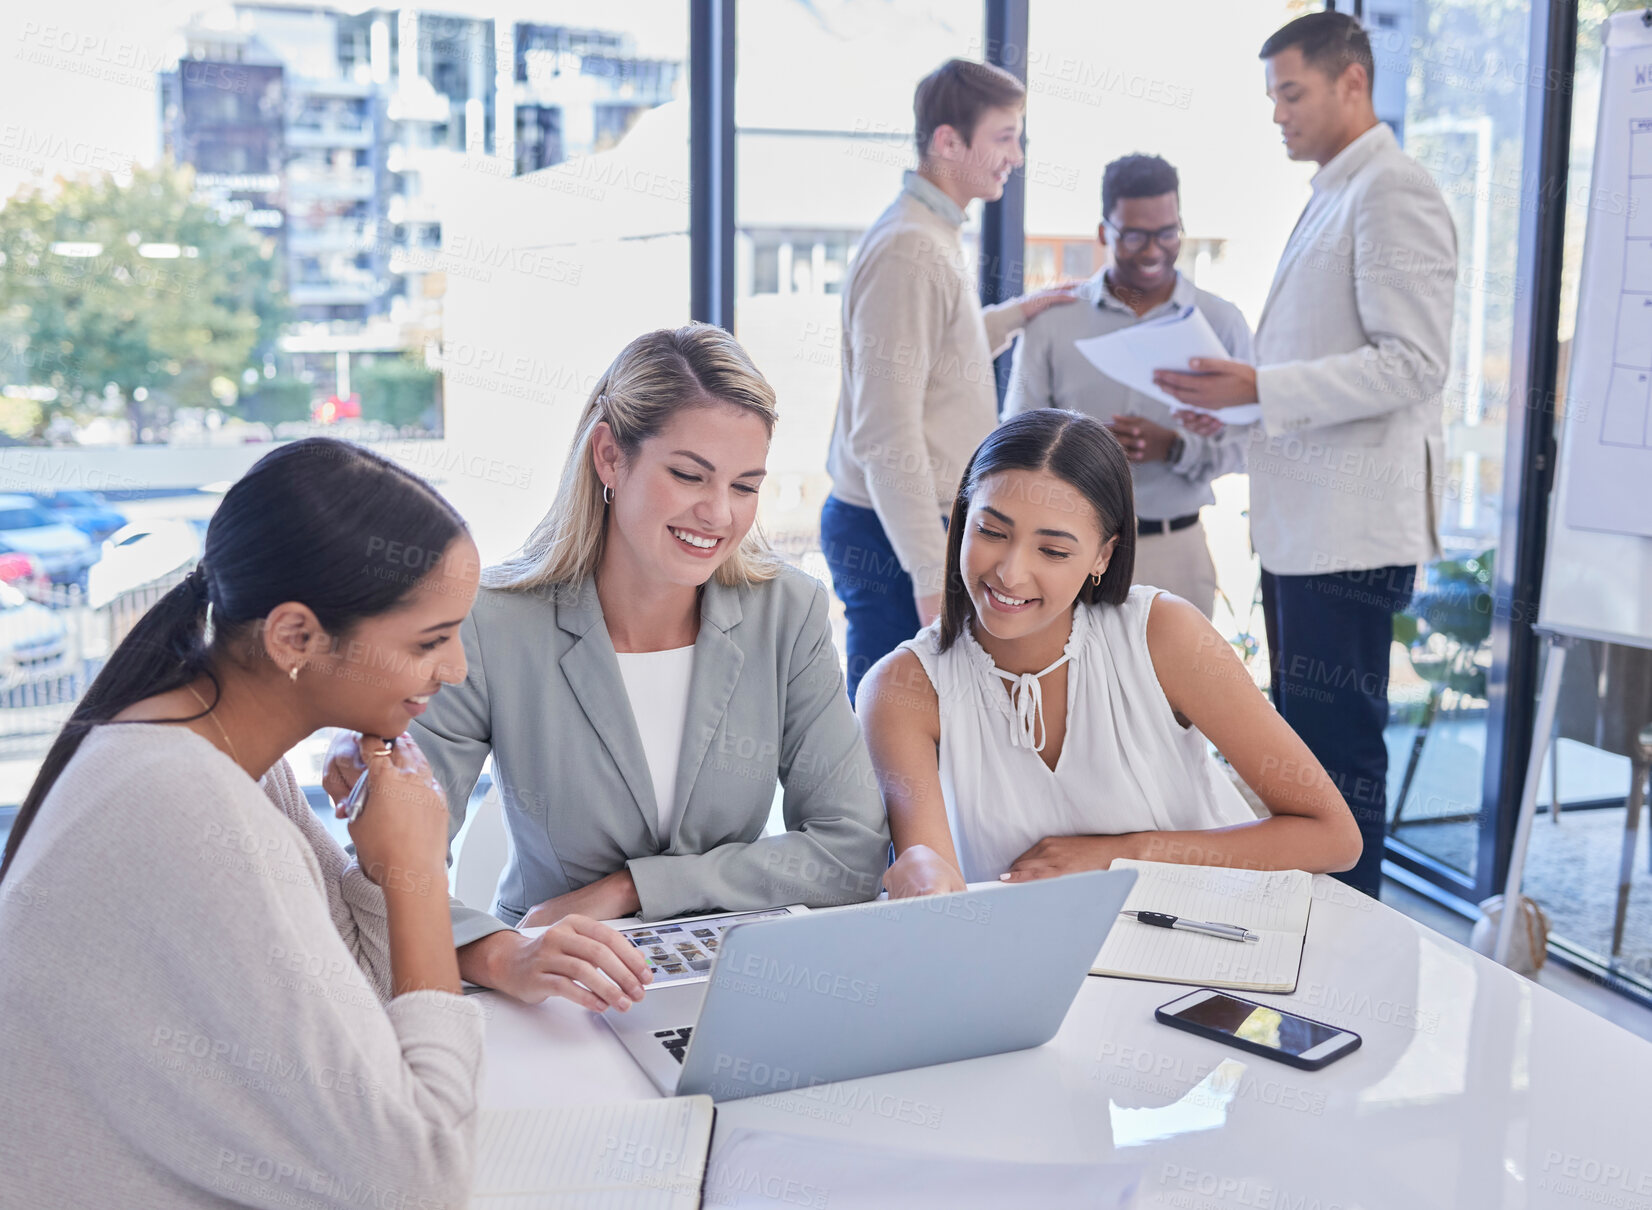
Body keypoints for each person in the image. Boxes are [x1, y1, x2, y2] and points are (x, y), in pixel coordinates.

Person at [0, 440, 649, 1208]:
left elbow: (361, 995)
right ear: (295, 638)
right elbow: (417, 1179)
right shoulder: (183, 801)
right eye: (428, 641)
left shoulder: (222, 746)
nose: (455, 671)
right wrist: (412, 875)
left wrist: (377, 864)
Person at [327, 325, 890, 1005]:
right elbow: (391, 876)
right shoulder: (490, 625)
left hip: (739, 981)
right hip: (554, 986)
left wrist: (630, 889)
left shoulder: (788, 611)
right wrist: (505, 957)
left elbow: (852, 852)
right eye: (688, 475)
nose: (718, 513)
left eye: (745, 486)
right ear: (609, 458)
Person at [1153, 11, 1457, 898]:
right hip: (1309, 530)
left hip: (1351, 535)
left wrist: (1259, 388)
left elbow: (1415, 364)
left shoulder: (1391, 190)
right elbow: (1316, 370)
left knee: (1338, 754)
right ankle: (1320, 923)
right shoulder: (1334, 191)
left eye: (1292, 93)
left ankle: (1349, 932)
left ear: (1351, 83)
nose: (1278, 114)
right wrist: (1235, 418)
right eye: (1273, 97)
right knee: (1306, 751)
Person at [857, 410, 1361, 896]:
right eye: (991, 531)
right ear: (961, 522)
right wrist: (918, 878)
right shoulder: (902, 689)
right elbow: (936, 886)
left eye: (1052, 551)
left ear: (1103, 555)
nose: (1010, 573)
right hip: (1036, 962)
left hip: (1209, 935)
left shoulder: (1164, 634)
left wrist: (1121, 854)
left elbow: (1333, 836)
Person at [822, 57, 1077, 702]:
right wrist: (928, 570)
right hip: (891, 530)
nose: (1015, 156)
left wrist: (1021, 314)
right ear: (947, 141)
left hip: (905, 524)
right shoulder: (911, 248)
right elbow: (885, 432)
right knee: (894, 738)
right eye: (1003, 137)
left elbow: (938, 353)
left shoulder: (928, 232)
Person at [1004, 153, 1252, 619]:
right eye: (1135, 235)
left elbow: (1248, 443)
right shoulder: (1056, 320)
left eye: (1168, 232)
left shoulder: (1221, 322)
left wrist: (1175, 447)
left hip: (1174, 548)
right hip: (1067, 552)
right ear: (1104, 233)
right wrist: (1082, 451)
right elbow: (1016, 437)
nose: (1154, 249)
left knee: (1174, 694)